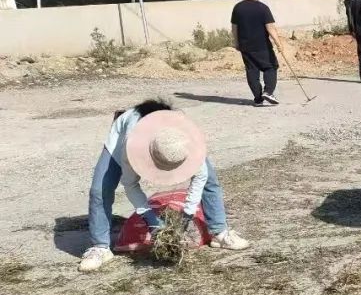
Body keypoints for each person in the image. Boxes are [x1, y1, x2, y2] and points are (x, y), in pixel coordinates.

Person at [79, 101, 250, 272]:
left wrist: (187, 213)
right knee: (100, 189)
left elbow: (201, 177)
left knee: (210, 180)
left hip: (175, 142)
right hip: (124, 139)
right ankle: (100, 247)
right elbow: (130, 184)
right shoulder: (131, 144)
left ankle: (219, 232)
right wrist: (151, 221)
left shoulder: (184, 140)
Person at [231, 0, 285, 107]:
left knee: (252, 71)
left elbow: (234, 28)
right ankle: (268, 92)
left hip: (245, 46)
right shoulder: (263, 8)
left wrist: (236, 43)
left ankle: (258, 98)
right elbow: (270, 28)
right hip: (262, 46)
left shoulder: (238, 8)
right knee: (270, 67)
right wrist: (278, 43)